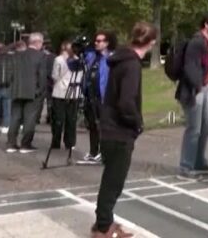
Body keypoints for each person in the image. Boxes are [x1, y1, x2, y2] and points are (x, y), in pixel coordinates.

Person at [91, 21, 157, 238]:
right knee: (114, 182)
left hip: (111, 127)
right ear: (151, 42)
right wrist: (137, 123)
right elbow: (126, 101)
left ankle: (104, 221)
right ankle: (103, 227)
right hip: (119, 130)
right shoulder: (131, 65)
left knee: (111, 180)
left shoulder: (120, 60)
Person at [177, 13, 208, 177]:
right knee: (194, 128)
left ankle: (198, 161)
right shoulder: (197, 42)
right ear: (206, 25)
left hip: (204, 87)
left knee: (205, 127)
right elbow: (190, 66)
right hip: (194, 90)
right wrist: (198, 86)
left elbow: (205, 66)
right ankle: (185, 166)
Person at [7, 32, 48, 154]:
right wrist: (40, 91)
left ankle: (11, 143)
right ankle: (25, 144)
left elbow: (10, 73)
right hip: (33, 92)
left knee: (15, 117)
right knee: (30, 118)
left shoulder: (16, 55)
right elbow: (42, 76)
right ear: (38, 42)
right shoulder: (41, 56)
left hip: (17, 90)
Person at [81, 31, 117, 165]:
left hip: (104, 97)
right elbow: (74, 64)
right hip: (90, 96)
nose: (96, 43)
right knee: (92, 125)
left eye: (99, 41)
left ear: (107, 43)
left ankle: (104, 152)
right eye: (95, 41)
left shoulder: (110, 58)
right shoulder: (92, 57)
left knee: (103, 125)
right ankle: (93, 151)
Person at [50, 40, 83, 151]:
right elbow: (80, 76)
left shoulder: (58, 60)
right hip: (74, 91)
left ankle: (56, 141)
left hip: (60, 91)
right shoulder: (78, 60)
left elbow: (55, 75)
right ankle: (70, 142)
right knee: (71, 118)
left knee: (58, 118)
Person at [36, 41, 56, 125]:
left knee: (39, 101)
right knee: (50, 101)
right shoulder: (54, 57)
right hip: (50, 82)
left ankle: (37, 118)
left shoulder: (40, 56)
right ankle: (50, 118)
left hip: (41, 81)